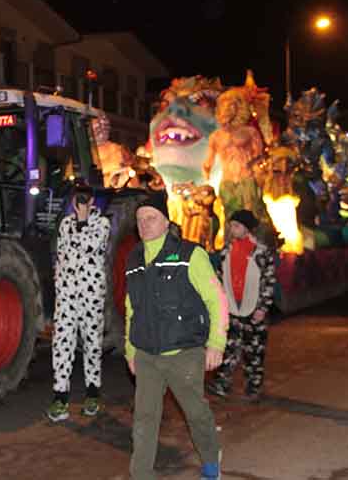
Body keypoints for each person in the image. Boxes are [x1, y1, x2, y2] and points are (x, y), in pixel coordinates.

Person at [124, 193, 229, 480]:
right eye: (140, 219)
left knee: (196, 413)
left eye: (151, 218)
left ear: (166, 221)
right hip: (146, 354)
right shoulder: (133, 258)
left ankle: (210, 460)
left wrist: (216, 343)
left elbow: (216, 299)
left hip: (184, 353)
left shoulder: (189, 255)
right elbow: (131, 307)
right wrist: (130, 350)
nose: (144, 224)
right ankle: (141, 474)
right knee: (144, 420)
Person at [47, 182, 111, 422]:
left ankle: (93, 394)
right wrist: (58, 281)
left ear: (92, 201)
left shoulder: (102, 224)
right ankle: (60, 397)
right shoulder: (65, 224)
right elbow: (61, 252)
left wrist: (83, 220)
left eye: (85, 198)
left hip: (90, 294)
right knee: (62, 343)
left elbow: (92, 247)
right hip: (66, 295)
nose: (80, 203)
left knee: (91, 344)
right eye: (77, 199)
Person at [207, 209, 276, 402]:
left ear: (246, 228)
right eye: (231, 225)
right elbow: (220, 279)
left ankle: (254, 387)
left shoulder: (261, 253)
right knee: (229, 348)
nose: (232, 229)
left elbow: (269, 282)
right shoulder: (226, 252)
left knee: (254, 351)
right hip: (233, 310)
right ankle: (222, 383)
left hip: (254, 311)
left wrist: (263, 307)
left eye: (236, 226)